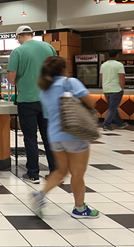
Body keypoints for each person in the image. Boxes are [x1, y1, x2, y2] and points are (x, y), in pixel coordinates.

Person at [30, 56, 100, 219]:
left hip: (54, 135)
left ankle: (41, 195)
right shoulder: (70, 82)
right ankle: (80, 209)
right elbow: (91, 102)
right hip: (74, 132)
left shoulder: (44, 89)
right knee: (77, 173)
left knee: (60, 171)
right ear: (63, 69)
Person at [7, 25, 58, 184]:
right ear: (32, 34)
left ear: (18, 36)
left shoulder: (18, 51)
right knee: (49, 137)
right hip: (48, 99)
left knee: (30, 137)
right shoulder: (49, 47)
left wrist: (21, 82)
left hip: (27, 100)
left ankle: (33, 174)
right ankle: (55, 173)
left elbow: (10, 78)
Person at [100, 49, 128, 131]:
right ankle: (106, 124)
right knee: (112, 108)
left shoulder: (103, 65)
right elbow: (121, 77)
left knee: (113, 107)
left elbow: (101, 77)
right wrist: (122, 88)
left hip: (106, 89)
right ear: (117, 55)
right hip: (116, 89)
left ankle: (120, 123)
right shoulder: (119, 65)